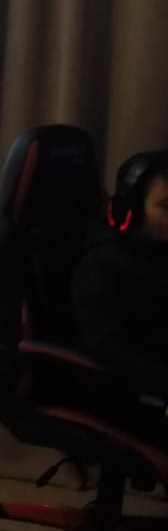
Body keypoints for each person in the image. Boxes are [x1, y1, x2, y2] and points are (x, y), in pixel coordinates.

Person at [72, 151, 168, 410]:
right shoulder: (102, 267)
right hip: (141, 397)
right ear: (132, 209)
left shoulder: (157, 250)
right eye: (166, 206)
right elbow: (109, 351)